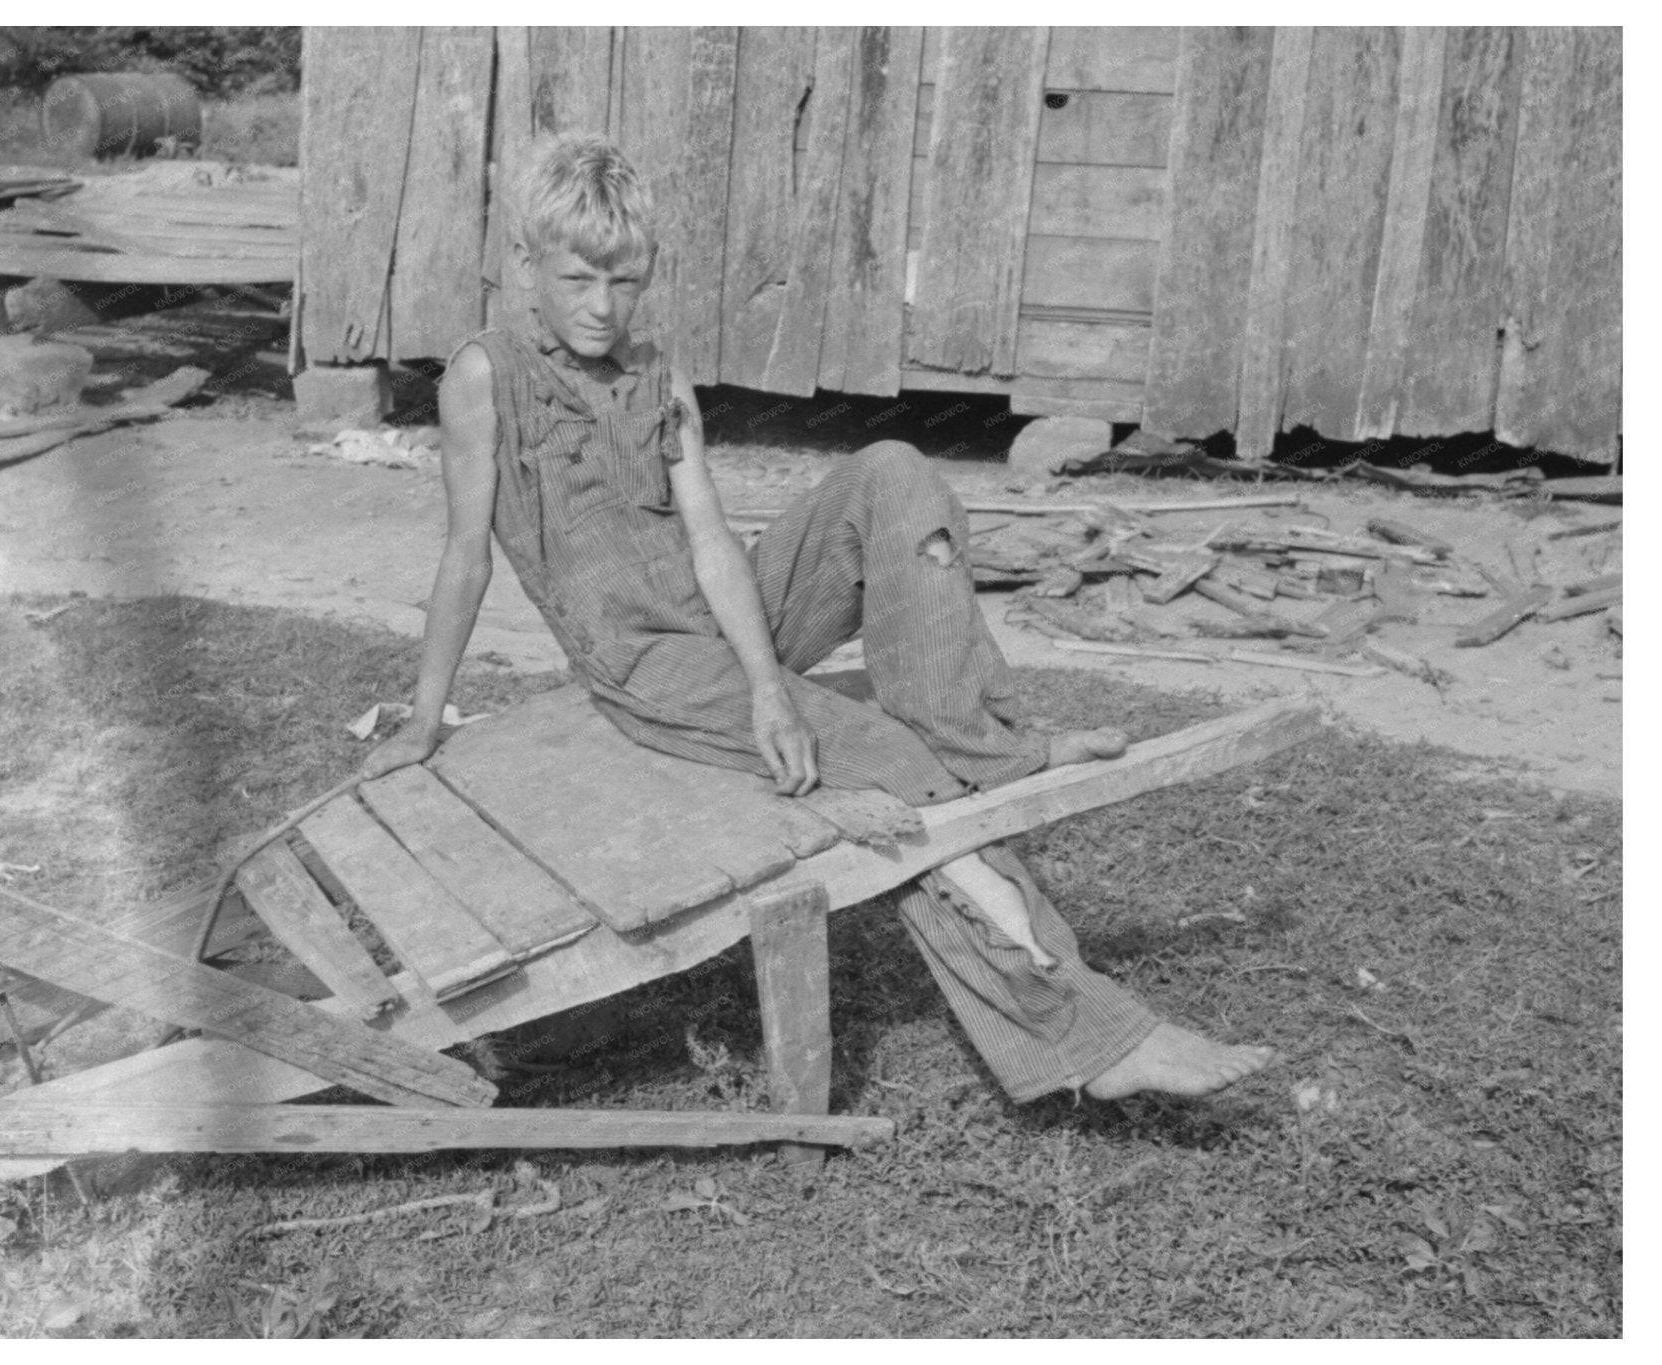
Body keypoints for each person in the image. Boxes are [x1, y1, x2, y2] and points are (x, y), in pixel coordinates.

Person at [363, 134, 1273, 1103]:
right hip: (645, 666)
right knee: (899, 777)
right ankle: (1088, 1038)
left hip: (726, 620)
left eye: (624, 281)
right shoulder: (483, 376)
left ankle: (980, 740)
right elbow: (465, 554)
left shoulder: (655, 372)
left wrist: (767, 687)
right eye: (576, 277)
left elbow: (711, 537)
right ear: (524, 267)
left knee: (890, 472)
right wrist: (424, 719)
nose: (600, 306)